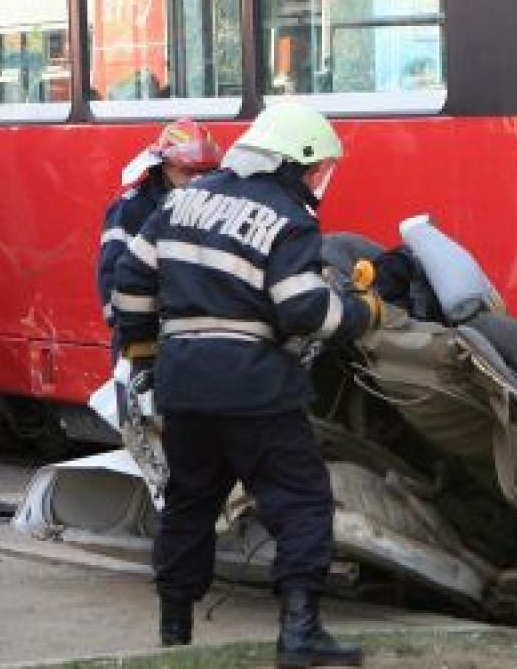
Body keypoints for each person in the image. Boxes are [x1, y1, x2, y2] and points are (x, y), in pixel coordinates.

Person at [111, 102, 381, 667]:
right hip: (255, 388)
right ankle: (300, 633)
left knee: (188, 503)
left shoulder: (181, 200)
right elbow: (305, 309)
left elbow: (129, 283)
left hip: (183, 384)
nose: (315, 181)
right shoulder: (287, 216)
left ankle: (174, 632)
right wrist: (361, 313)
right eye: (314, 168)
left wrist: (143, 350)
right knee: (302, 502)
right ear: (290, 161)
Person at [97, 118, 222, 355]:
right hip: (144, 342)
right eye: (188, 171)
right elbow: (112, 282)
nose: (198, 180)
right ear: (164, 166)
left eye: (207, 172)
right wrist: (137, 340)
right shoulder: (130, 210)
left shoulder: (214, 207)